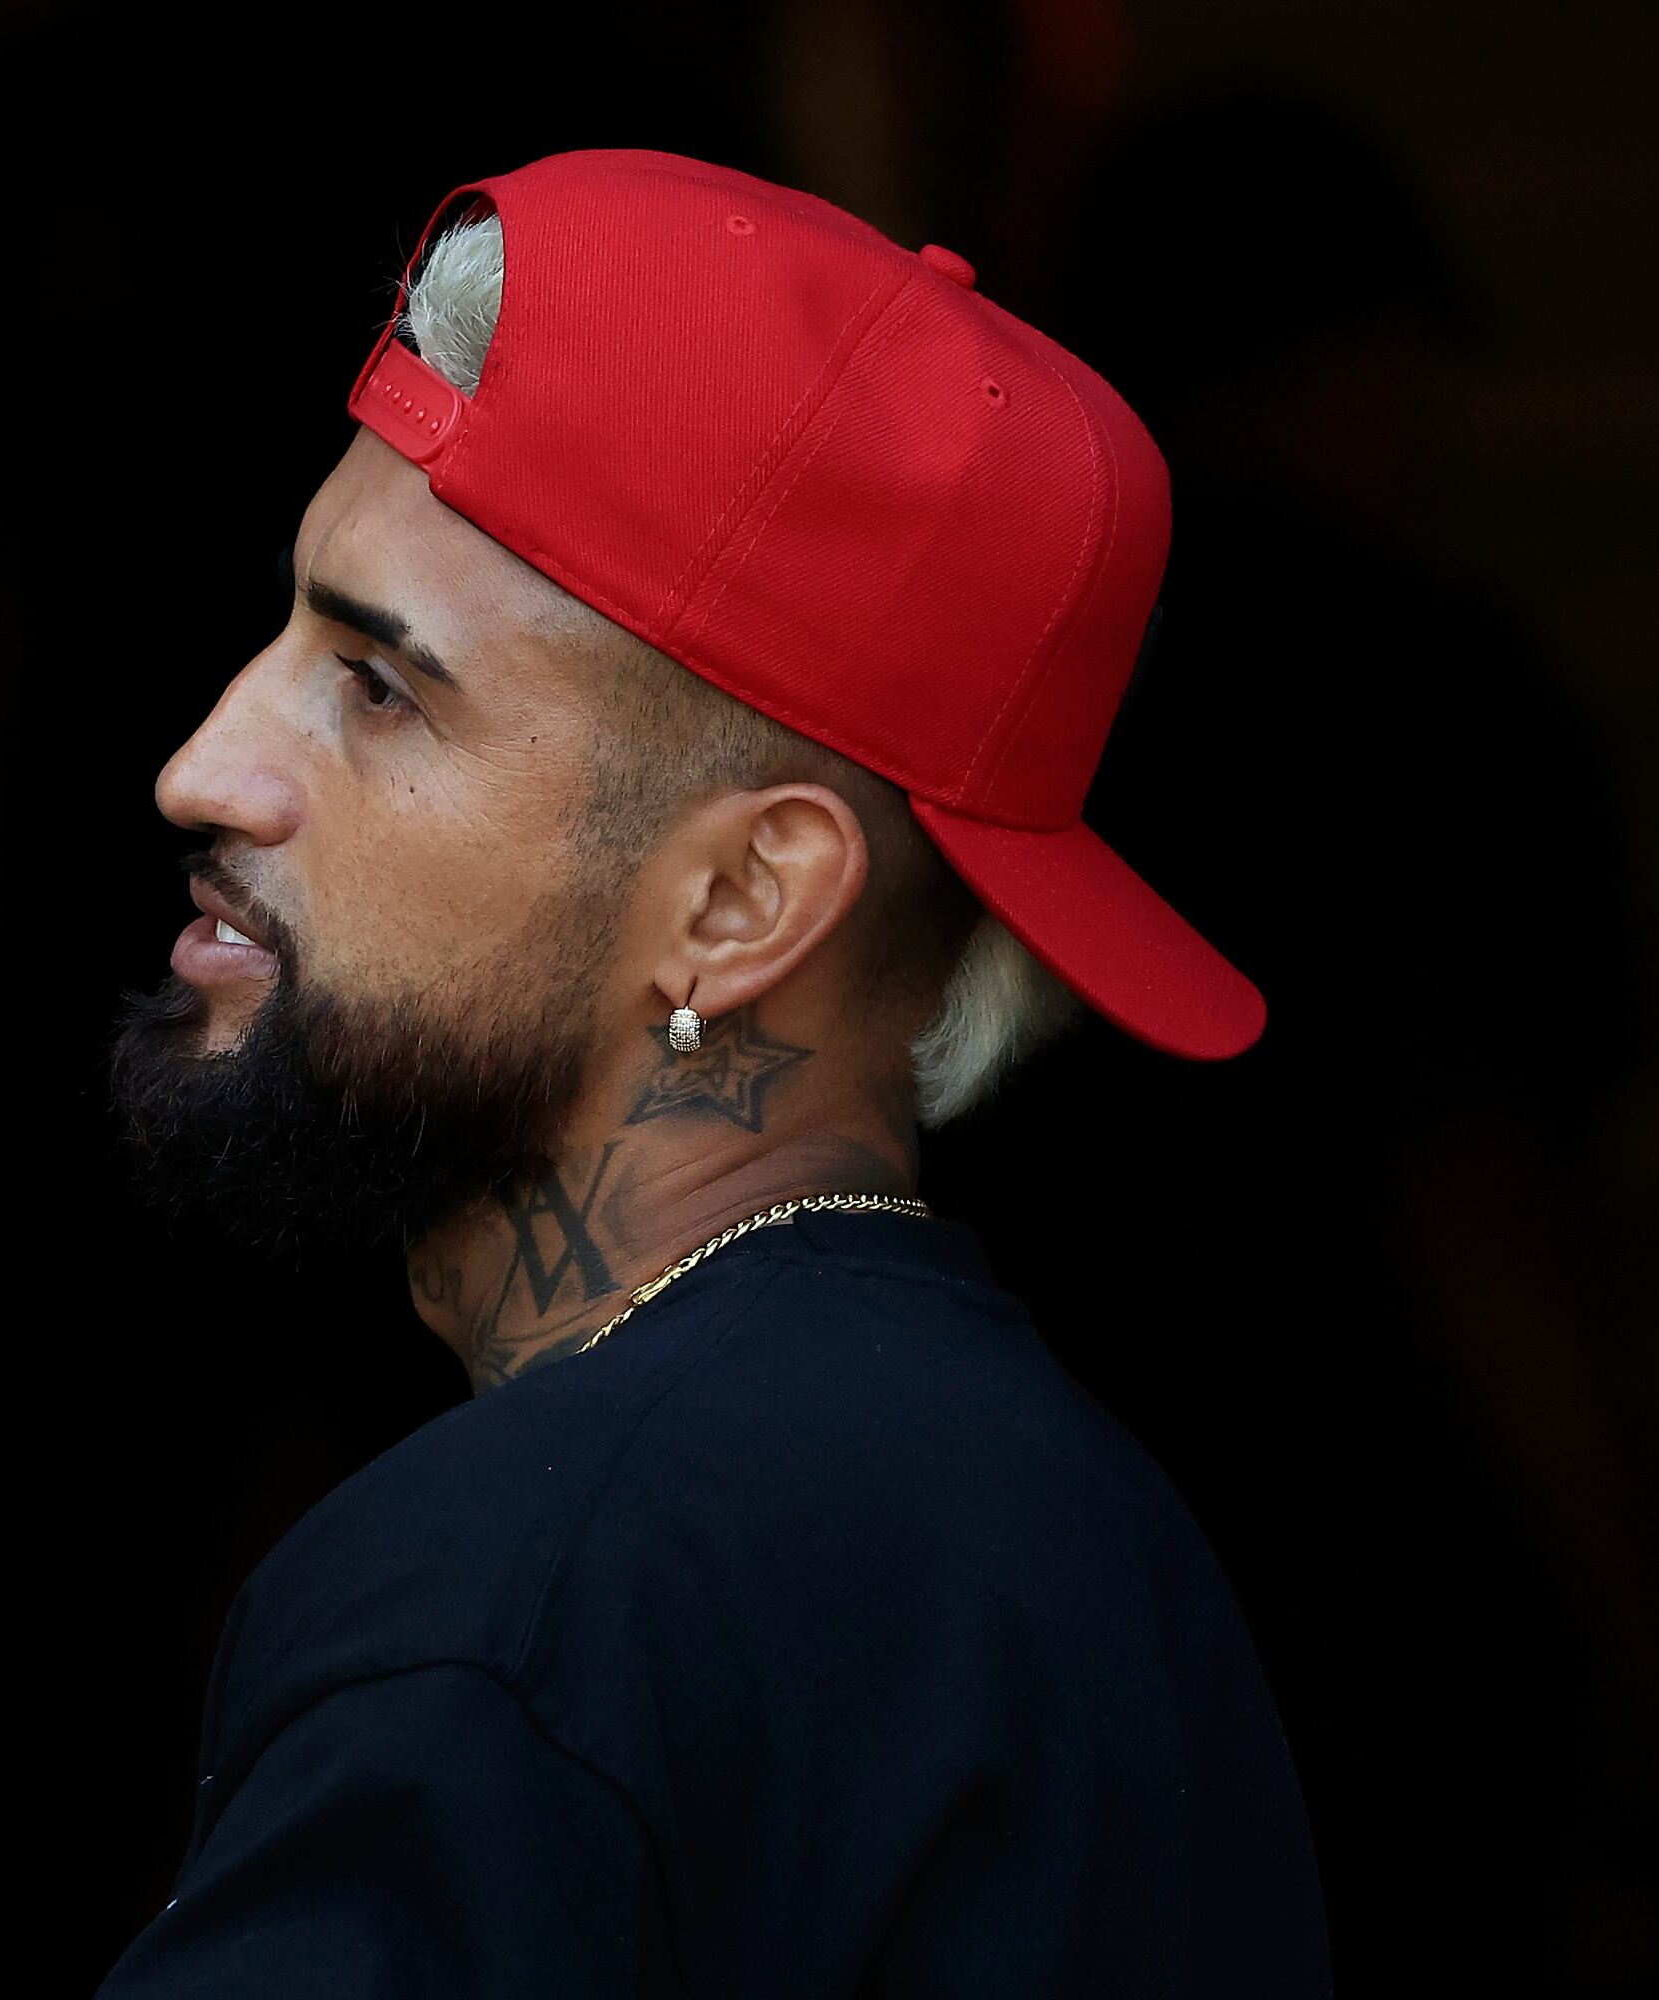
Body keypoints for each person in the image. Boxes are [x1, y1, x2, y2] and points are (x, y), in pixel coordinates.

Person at [96, 150, 1326, 1995]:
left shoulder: (523, 1610)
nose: (203, 766)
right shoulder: (1089, 1543)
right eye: (285, 632)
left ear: (747, 899)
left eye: (379, 687)